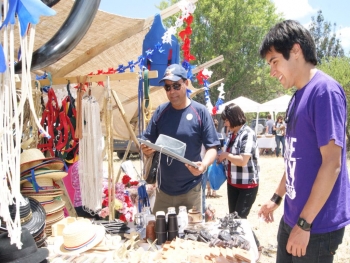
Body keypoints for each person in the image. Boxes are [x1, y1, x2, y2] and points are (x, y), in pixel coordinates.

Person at [258, 20, 350, 263]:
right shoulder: (297, 96)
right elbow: (293, 158)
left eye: (274, 61)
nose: (272, 72)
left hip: (315, 228)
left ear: (296, 50)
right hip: (292, 219)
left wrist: (304, 224)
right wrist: (276, 199)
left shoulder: (325, 91)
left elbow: (333, 163)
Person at [141, 64, 220, 215]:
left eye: (176, 86)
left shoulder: (200, 112)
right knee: (160, 236)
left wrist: (203, 165)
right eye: (167, 87)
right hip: (163, 192)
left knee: (191, 236)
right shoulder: (160, 112)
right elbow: (147, 142)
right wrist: (146, 150)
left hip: (191, 191)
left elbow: (212, 147)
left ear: (186, 83)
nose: (172, 91)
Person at [217, 103, 260, 218]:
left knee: (239, 220)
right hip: (233, 183)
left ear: (234, 118)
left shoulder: (248, 134)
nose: (225, 123)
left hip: (246, 185)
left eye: (226, 120)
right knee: (233, 218)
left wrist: (226, 155)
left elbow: (242, 161)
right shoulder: (231, 134)